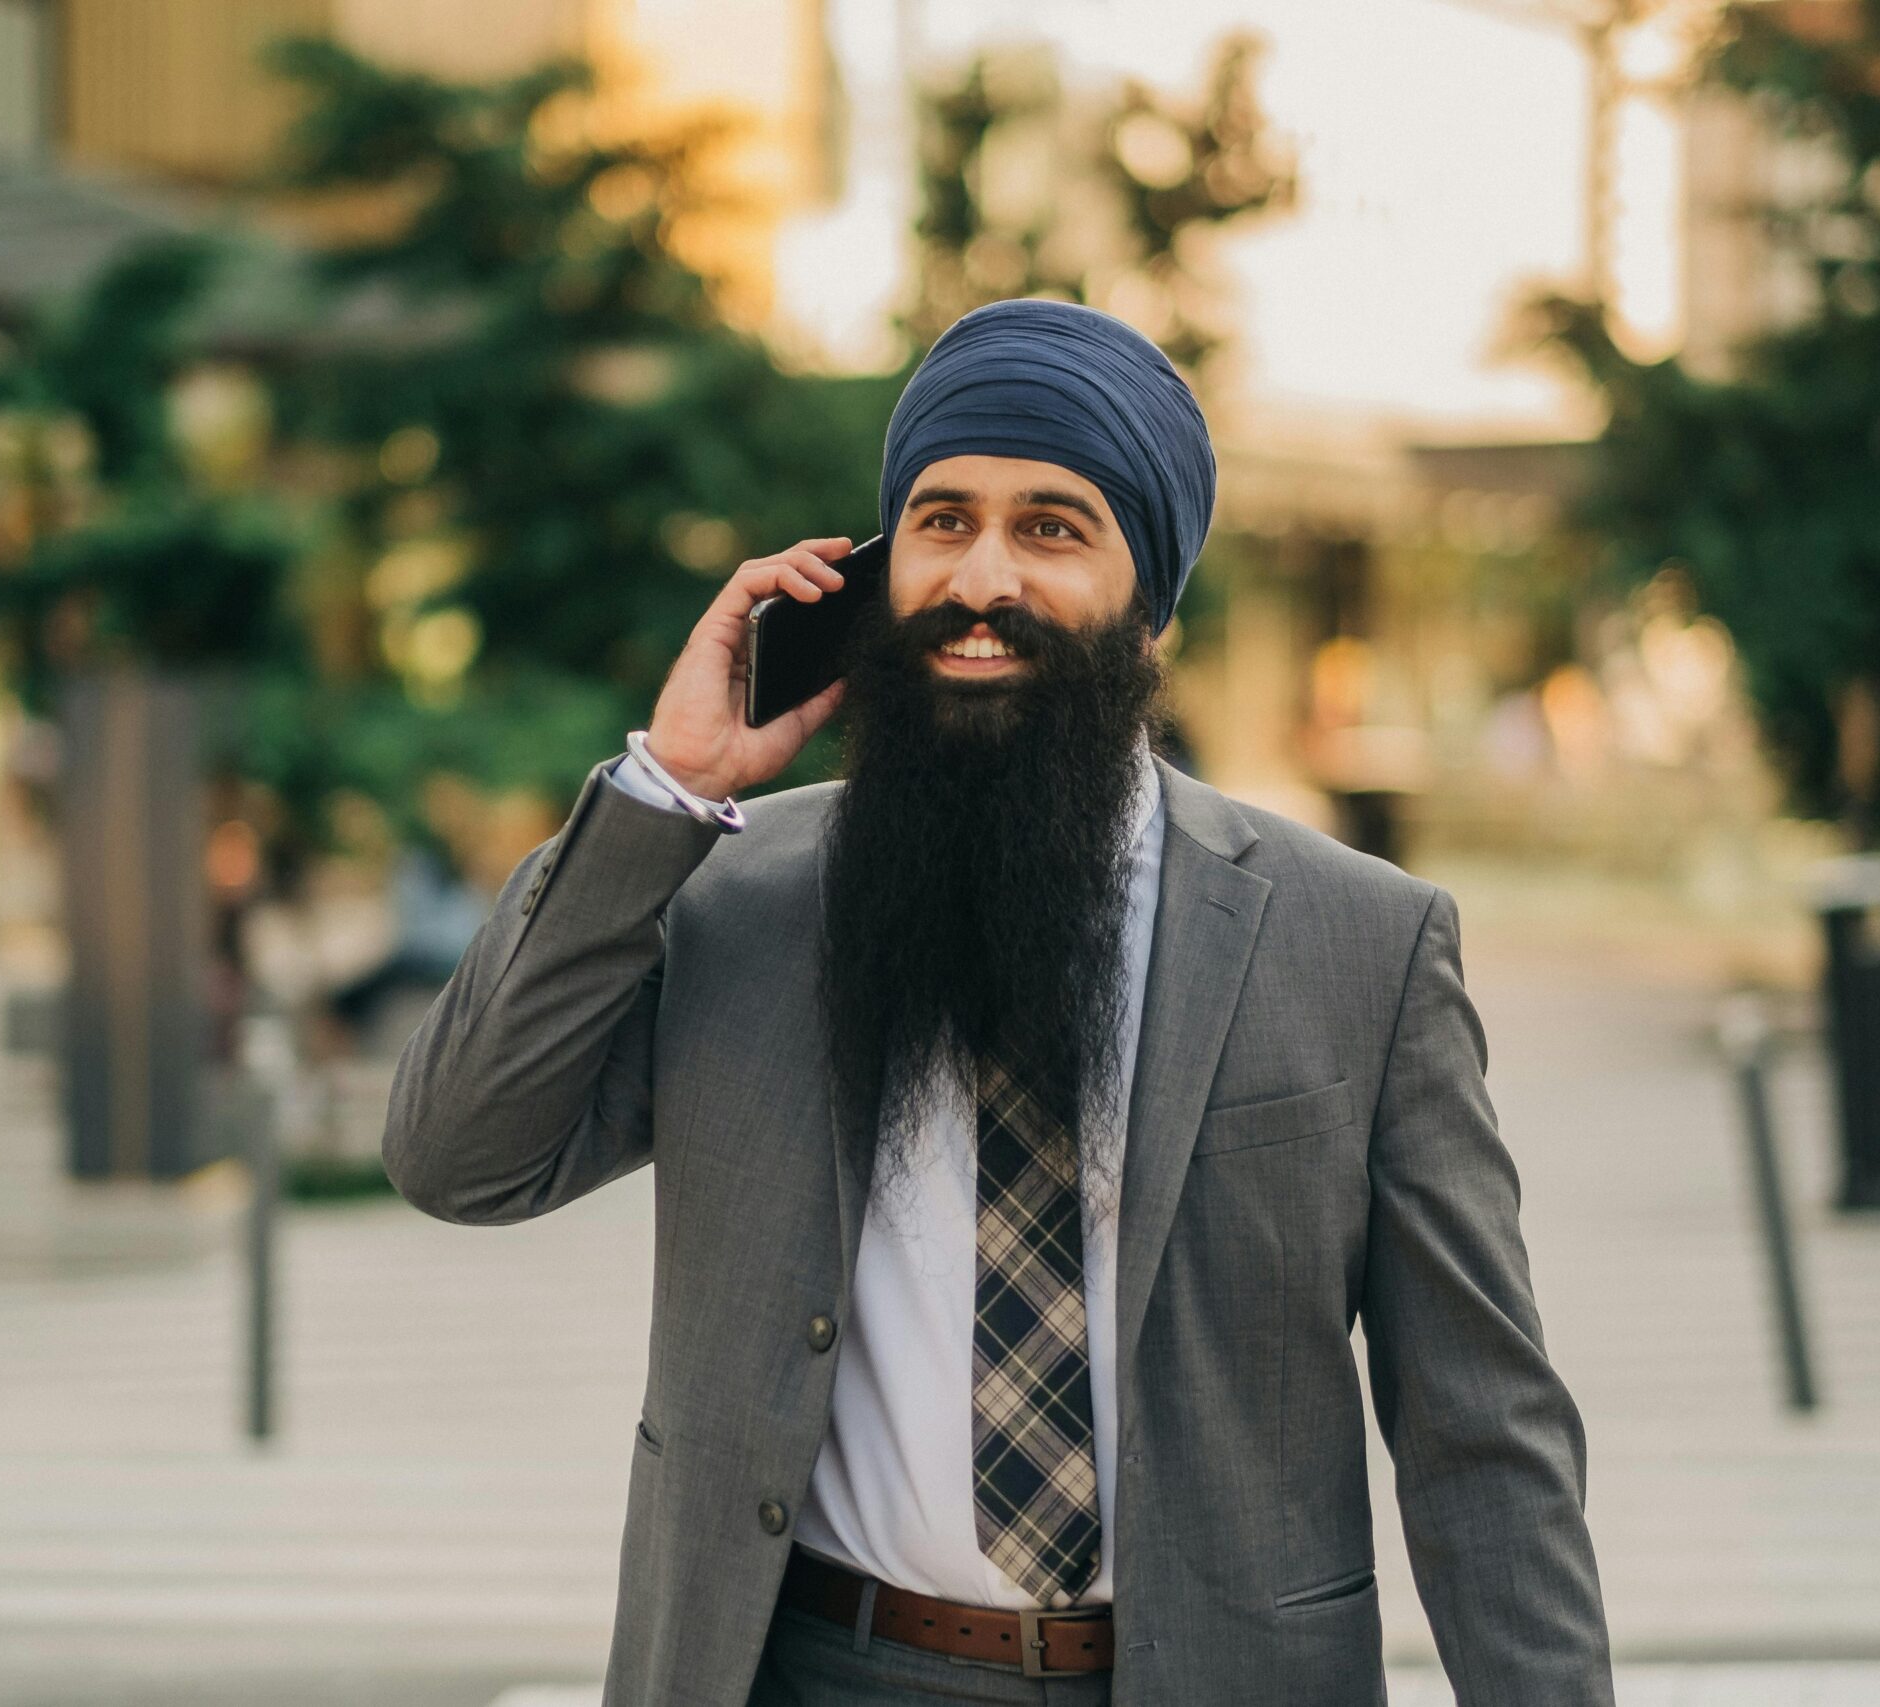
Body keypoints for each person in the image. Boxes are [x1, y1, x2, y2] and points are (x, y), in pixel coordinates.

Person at [383, 298, 1615, 1706]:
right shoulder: (735, 895)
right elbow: (457, 1159)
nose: (983, 577)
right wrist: (665, 793)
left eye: (1052, 528)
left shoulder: (1361, 947)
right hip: (810, 1670)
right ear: (873, 575)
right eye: (942, 520)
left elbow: (1483, 1441)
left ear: (1151, 609)